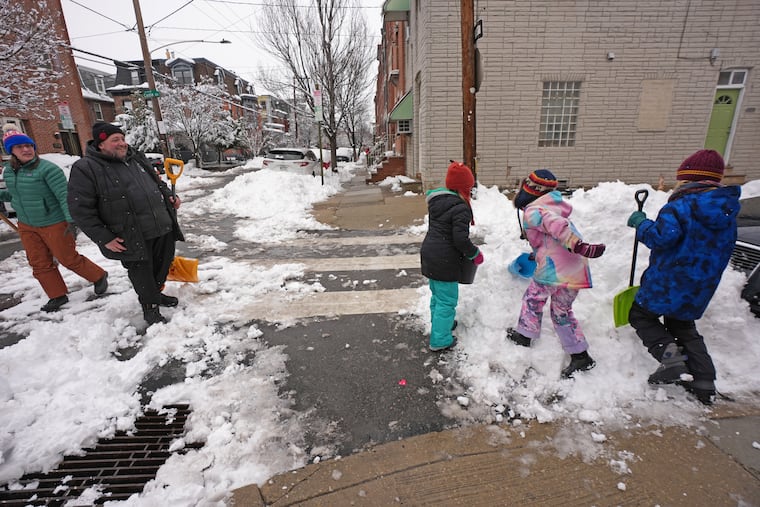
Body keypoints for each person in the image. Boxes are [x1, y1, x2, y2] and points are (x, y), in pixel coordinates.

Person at [626, 149, 740, 404]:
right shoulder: (727, 212)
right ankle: (704, 382)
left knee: (640, 315)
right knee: (683, 326)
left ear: (689, 179)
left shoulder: (680, 206)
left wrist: (640, 223)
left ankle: (673, 363)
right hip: (702, 284)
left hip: (669, 280)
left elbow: (660, 239)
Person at [67, 122, 184, 325]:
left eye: (122, 138)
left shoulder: (136, 157)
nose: (122, 144)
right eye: (115, 140)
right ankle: (150, 308)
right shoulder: (87, 168)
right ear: (100, 144)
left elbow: (158, 183)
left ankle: (155, 295)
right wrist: (105, 238)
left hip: (161, 224)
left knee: (162, 265)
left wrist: (169, 197)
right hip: (129, 233)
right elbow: (81, 209)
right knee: (142, 272)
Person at [506, 169, 606, 378]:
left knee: (533, 299)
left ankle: (524, 336)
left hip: (554, 268)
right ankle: (581, 356)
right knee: (562, 311)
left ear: (528, 190)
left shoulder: (535, 210)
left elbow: (557, 226)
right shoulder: (555, 207)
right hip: (575, 268)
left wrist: (577, 245)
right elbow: (551, 234)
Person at [0, 124, 108, 312]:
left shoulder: (48, 170)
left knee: (68, 258)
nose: (26, 150)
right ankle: (57, 295)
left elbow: (64, 196)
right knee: (39, 262)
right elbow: (16, 194)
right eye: (20, 147)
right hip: (27, 224)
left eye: (29, 146)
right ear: (11, 151)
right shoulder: (9, 172)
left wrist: (72, 221)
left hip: (54, 222)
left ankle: (98, 276)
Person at [420, 161, 484, 352]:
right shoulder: (460, 208)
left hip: (430, 254)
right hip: (444, 260)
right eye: (469, 187)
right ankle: (440, 339)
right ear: (463, 187)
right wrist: (475, 254)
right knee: (447, 301)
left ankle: (440, 325)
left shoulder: (438, 201)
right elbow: (460, 240)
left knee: (438, 297)